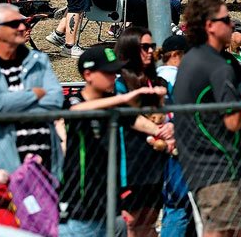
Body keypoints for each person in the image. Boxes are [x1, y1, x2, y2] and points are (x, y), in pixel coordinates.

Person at [172, 0, 241, 237]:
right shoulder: (217, 65)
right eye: (226, 20)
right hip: (219, 165)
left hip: (197, 163)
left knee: (232, 230)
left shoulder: (191, 59)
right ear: (210, 26)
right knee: (222, 232)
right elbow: (232, 122)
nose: (231, 25)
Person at [60, 45, 165, 237]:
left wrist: (164, 133)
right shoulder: (74, 101)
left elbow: (136, 121)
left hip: (107, 202)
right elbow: (75, 112)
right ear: (88, 75)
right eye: (108, 72)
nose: (113, 77)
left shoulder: (113, 103)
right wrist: (125, 98)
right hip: (79, 205)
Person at [0, 4, 62, 177]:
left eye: (24, 23)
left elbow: (55, 100)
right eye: (14, 24)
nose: (22, 28)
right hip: (3, 167)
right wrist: (34, 94)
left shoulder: (39, 60)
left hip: (46, 164)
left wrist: (9, 104)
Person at [114, 28, 172, 237]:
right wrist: (159, 130)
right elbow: (127, 116)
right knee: (132, 222)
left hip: (158, 160)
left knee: (150, 219)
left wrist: (171, 126)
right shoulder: (120, 82)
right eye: (144, 47)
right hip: (131, 163)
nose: (150, 51)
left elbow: (174, 111)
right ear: (130, 49)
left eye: (152, 46)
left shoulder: (159, 82)